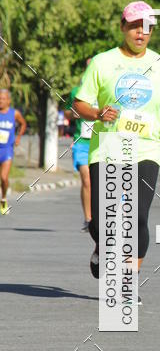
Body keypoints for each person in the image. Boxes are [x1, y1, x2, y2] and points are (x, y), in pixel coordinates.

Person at [73, 1, 160, 304]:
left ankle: (128, 283)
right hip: (108, 149)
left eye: (147, 27)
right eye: (135, 25)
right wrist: (97, 113)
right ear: (123, 26)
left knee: (137, 216)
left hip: (146, 149)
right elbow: (79, 103)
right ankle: (101, 245)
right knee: (102, 220)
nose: (141, 32)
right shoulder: (102, 63)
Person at [65, 62, 95, 231]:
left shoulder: (107, 89)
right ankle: (88, 219)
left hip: (103, 143)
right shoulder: (77, 92)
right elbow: (67, 113)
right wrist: (75, 113)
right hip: (82, 143)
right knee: (87, 179)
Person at [0, 88, 26, 215]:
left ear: (9, 101)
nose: (1, 101)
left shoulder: (14, 113)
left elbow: (23, 124)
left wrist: (19, 136)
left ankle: (3, 199)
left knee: (4, 177)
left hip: (7, 149)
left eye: (3, 98)